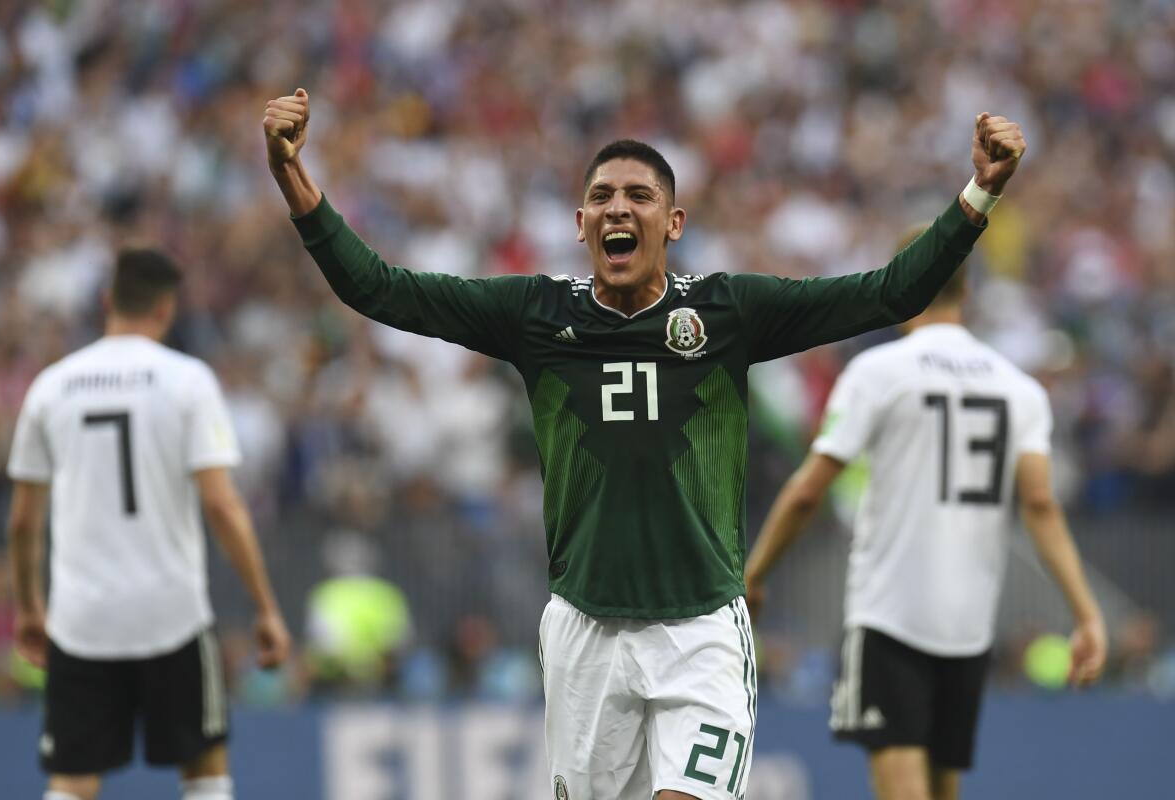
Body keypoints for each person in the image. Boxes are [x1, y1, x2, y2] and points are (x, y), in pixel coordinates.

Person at [263, 86, 1025, 799]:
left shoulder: (729, 313)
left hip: (699, 630)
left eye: (637, 196)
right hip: (585, 630)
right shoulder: (536, 313)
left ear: (674, 222)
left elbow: (890, 292)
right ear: (580, 224)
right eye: (600, 197)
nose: (616, 208)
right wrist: (293, 175)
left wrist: (979, 194)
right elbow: (379, 288)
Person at [743, 233, 1108, 800]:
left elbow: (807, 491)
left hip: (891, 615)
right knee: (943, 789)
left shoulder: (878, 371)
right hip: (966, 626)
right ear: (970, 286)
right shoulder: (1019, 387)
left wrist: (757, 572)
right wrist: (1086, 614)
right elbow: (1039, 504)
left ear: (908, 275)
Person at [6, 249, 291, 800]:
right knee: (205, 768)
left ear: (108, 301)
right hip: (173, 614)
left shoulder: (51, 387)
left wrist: (28, 607)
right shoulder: (187, 381)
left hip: (82, 618)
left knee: (72, 779)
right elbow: (222, 506)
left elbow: (22, 521)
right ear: (167, 309)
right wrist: (265, 607)